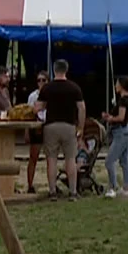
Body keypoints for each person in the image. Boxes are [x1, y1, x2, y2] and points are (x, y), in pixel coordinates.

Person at [39, 61, 86, 197]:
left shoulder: (47, 88)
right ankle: (72, 191)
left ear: (54, 70)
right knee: (70, 159)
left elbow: (40, 107)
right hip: (69, 126)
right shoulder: (74, 88)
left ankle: (52, 191)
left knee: (51, 160)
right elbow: (81, 108)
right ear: (66, 70)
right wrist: (80, 128)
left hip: (51, 126)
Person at [102, 75, 128, 197]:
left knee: (109, 161)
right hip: (126, 131)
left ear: (121, 85)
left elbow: (121, 118)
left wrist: (110, 118)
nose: (115, 85)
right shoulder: (127, 99)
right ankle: (127, 187)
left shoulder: (123, 101)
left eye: (117, 83)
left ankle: (113, 187)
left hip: (121, 132)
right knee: (124, 161)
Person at [24, 70, 48, 195]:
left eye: (44, 80)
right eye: (39, 80)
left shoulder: (52, 94)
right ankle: (30, 184)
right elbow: (28, 114)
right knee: (33, 157)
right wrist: (27, 130)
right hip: (36, 126)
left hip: (48, 125)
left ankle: (52, 185)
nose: (41, 82)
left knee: (51, 158)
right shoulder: (33, 96)